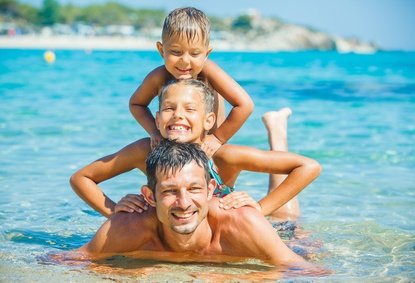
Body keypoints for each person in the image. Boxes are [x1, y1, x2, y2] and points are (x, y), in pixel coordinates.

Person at [70, 79, 321, 221]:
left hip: (224, 219)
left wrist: (262, 208)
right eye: (169, 109)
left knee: (286, 218)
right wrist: (114, 211)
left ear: (209, 121)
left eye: (190, 110)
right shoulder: (146, 151)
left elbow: (308, 167)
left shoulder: (223, 156)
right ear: (157, 120)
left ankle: (277, 134)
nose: (178, 115)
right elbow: (81, 178)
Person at [69, 139, 316, 272]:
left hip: (274, 234)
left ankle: (278, 135)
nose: (184, 203)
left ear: (211, 190)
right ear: (150, 197)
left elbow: (305, 270)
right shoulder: (128, 227)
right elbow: (66, 261)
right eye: (170, 191)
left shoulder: (241, 223)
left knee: (289, 221)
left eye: (194, 189)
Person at [129, 7, 254, 156]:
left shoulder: (208, 72)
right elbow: (136, 104)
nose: (185, 61)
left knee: (221, 174)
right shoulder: (159, 76)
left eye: (195, 53)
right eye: (176, 52)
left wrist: (217, 138)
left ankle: (275, 129)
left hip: (208, 147)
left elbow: (244, 105)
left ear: (206, 53)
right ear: (161, 50)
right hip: (176, 146)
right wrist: (154, 132)